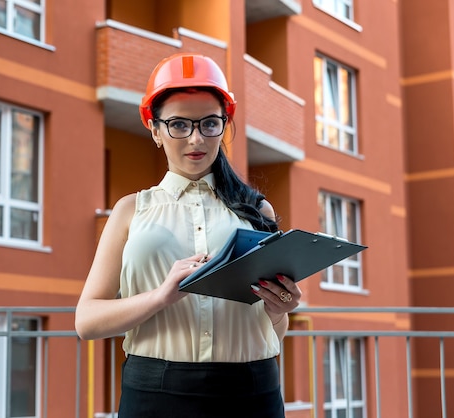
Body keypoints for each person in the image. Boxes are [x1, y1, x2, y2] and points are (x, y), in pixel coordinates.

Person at [75, 53, 301, 417]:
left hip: (252, 391)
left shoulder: (257, 211)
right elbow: (86, 321)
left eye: (209, 123)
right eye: (179, 124)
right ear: (155, 129)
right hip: (155, 393)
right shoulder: (130, 211)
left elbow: (274, 332)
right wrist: (161, 297)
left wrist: (281, 309)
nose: (196, 138)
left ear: (223, 125)